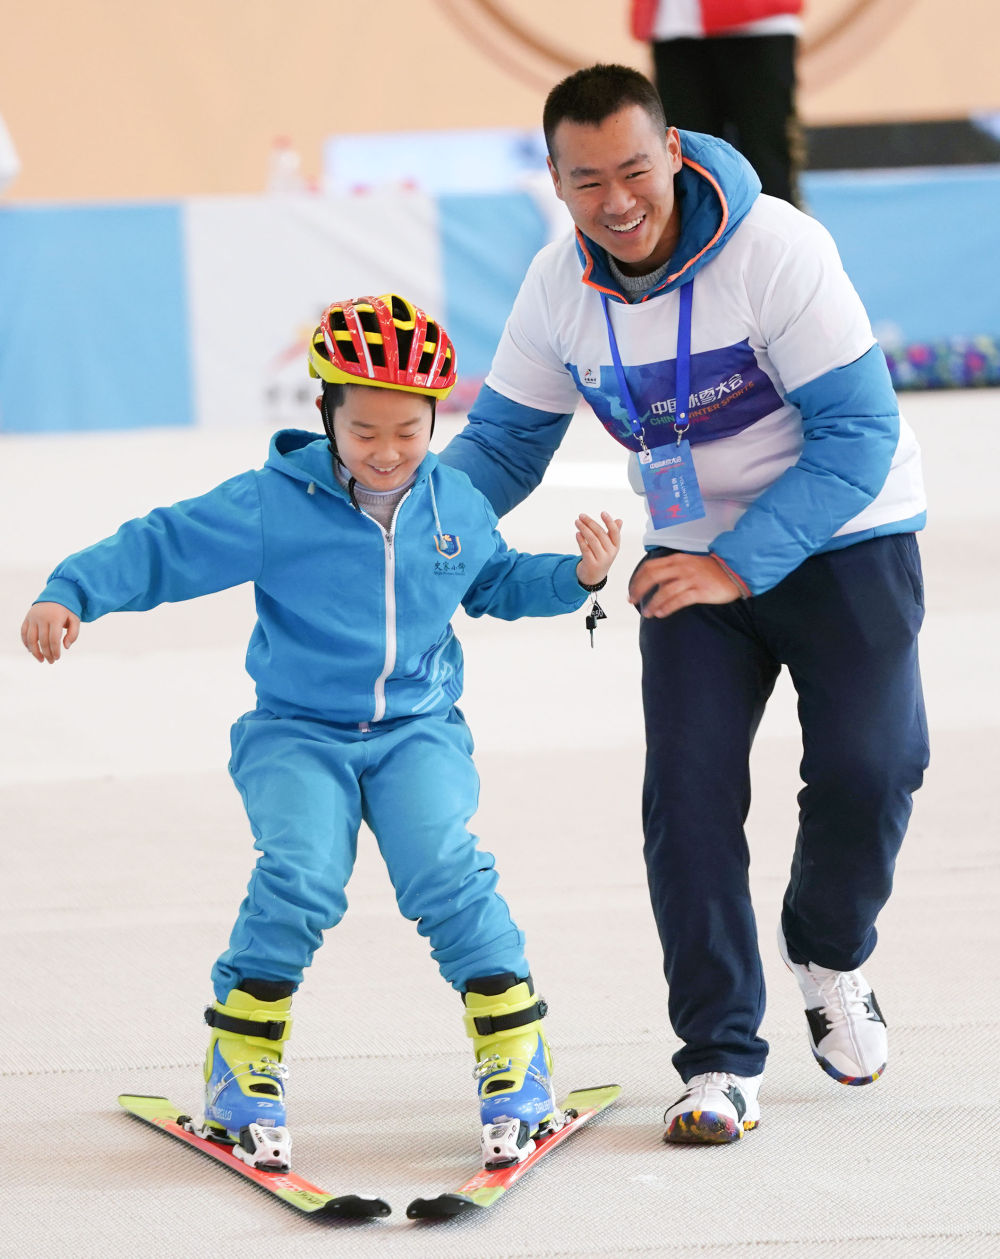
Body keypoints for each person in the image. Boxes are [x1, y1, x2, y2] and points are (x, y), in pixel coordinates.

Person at [20, 293, 622, 1172]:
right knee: (302, 874)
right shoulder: (275, 503)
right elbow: (163, 545)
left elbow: (494, 582)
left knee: (447, 870)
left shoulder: (457, 502)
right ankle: (242, 1062)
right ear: (325, 416)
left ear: (434, 421)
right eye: (365, 430)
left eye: (408, 432)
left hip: (417, 730)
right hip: (296, 732)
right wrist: (71, 590)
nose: (386, 453)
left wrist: (577, 575)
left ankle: (515, 1056)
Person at [440, 65, 928, 1144]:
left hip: (848, 533)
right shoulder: (555, 287)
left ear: (670, 152)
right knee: (688, 800)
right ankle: (718, 1057)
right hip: (687, 553)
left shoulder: (776, 250)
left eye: (631, 168)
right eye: (584, 180)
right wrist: (416, 527)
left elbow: (857, 433)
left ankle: (828, 949)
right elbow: (507, 442)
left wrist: (738, 563)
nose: (615, 200)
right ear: (556, 184)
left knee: (871, 768)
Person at [630, 0, 804, 206]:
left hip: (758, 20)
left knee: (766, 155)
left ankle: (779, 229)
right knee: (687, 156)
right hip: (674, 24)